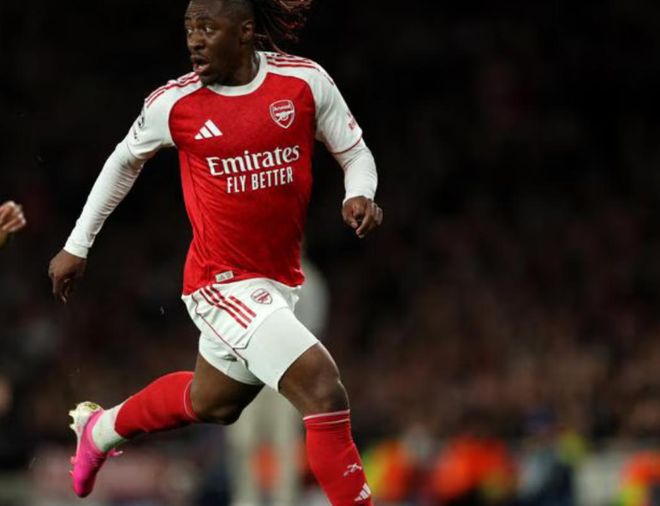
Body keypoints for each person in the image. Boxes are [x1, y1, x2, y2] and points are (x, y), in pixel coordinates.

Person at [48, 0, 382, 504]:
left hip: (279, 280)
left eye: (207, 27)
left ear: (244, 31)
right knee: (322, 387)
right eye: (189, 28)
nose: (194, 40)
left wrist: (359, 193)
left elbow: (354, 151)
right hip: (220, 282)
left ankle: (101, 430)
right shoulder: (174, 103)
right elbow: (123, 162)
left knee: (213, 403)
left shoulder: (303, 82)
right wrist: (77, 245)